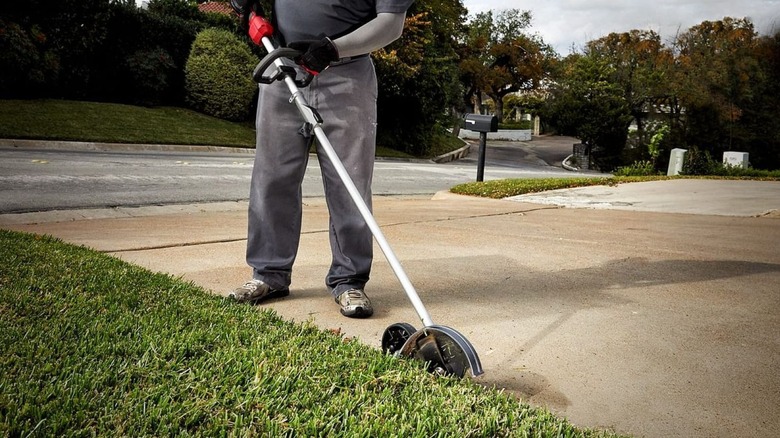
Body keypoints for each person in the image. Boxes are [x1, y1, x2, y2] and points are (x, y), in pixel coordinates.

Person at [229, 0, 415, 318]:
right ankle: (268, 275)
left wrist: (332, 49)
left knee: (350, 183)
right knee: (271, 179)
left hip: (346, 75)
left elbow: (390, 24)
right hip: (282, 67)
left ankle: (349, 280)